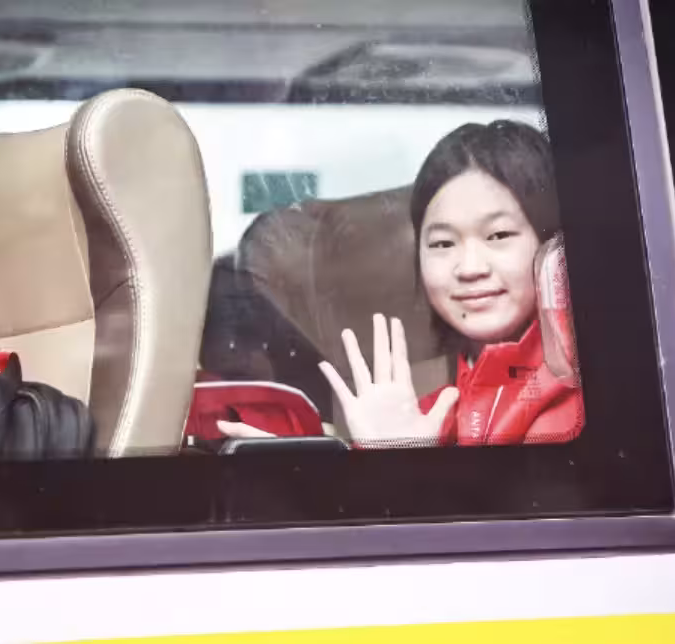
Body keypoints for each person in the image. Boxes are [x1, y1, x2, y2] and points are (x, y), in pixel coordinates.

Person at [219, 120, 584, 447]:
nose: (470, 268)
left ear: (554, 247)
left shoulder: (582, 400)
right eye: (443, 243)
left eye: (499, 235)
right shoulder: (422, 417)